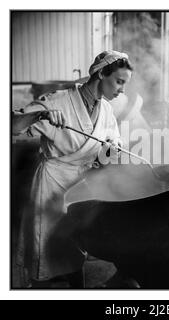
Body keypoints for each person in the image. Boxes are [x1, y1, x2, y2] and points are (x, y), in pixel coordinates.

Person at [15, 50, 133, 288]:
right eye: (119, 82)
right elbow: (12, 125)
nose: (122, 90)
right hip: (52, 185)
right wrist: (41, 114)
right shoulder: (58, 101)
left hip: (79, 189)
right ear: (101, 73)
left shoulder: (107, 110)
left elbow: (109, 148)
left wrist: (111, 150)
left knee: (73, 249)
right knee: (44, 248)